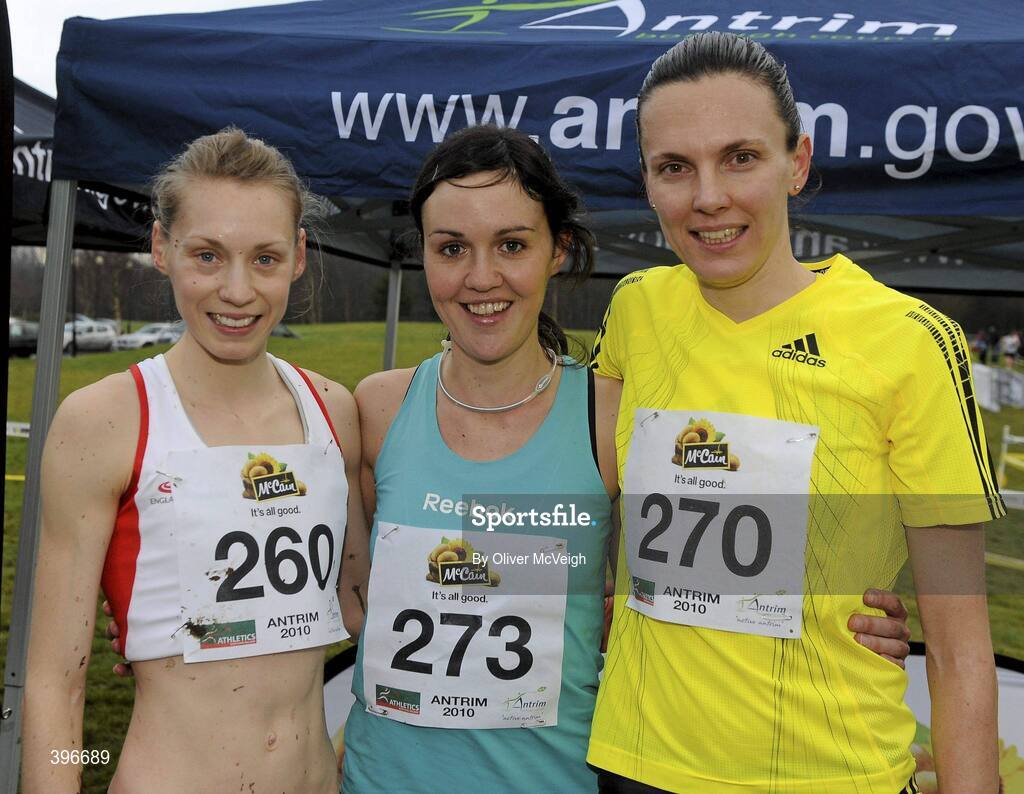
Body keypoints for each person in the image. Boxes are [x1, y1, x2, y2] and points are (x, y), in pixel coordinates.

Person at [338, 125, 912, 793]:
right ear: (425, 255)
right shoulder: (378, 409)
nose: (481, 277)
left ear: (560, 251)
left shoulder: (614, 416)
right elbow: (356, 597)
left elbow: (729, 569)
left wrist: (847, 619)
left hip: (555, 780)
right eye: (451, 248)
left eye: (513, 245)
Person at [586, 33, 1003, 793]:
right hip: (635, 765)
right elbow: (582, 496)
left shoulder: (909, 342)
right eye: (674, 167)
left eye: (740, 157)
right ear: (646, 182)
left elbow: (959, 648)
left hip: (826, 773)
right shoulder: (637, 309)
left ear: (798, 163)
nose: (708, 196)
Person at [22, 129, 369, 794]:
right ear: (161, 248)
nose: (236, 291)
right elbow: (54, 683)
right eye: (208, 255)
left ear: (298, 256)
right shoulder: (103, 421)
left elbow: (361, 603)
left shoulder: (335, 409)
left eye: (264, 259)